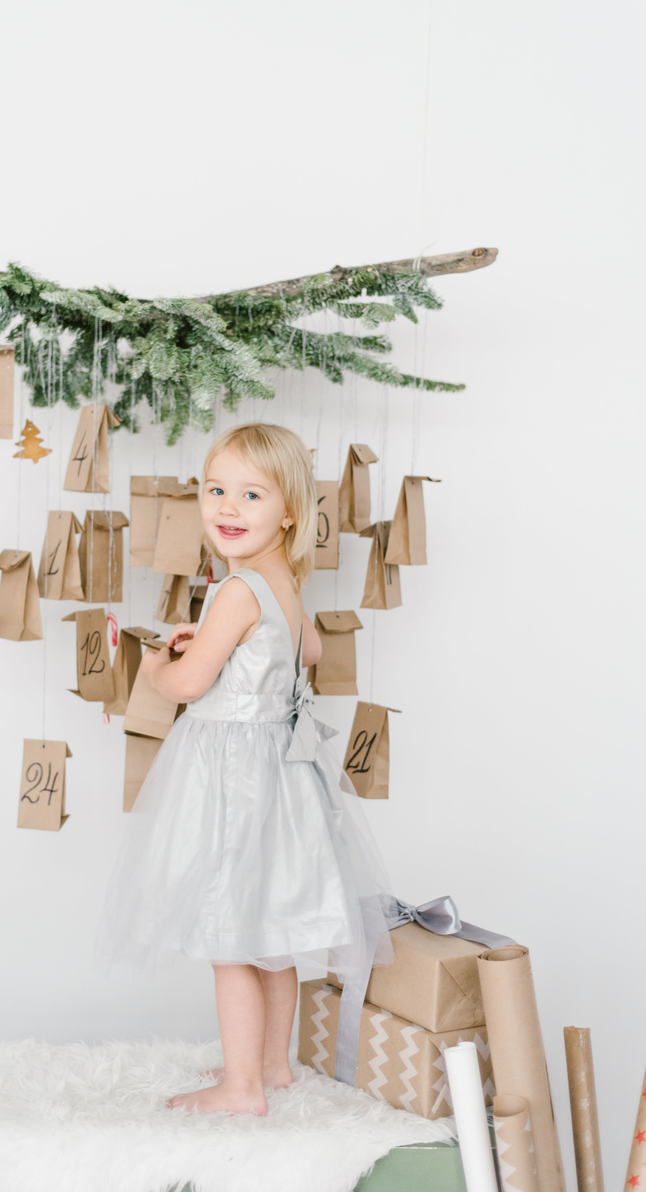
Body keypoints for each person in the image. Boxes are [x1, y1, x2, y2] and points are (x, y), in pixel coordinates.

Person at [96, 422, 394, 1116]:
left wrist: (161, 660)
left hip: (231, 775)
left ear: (289, 510)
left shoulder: (233, 591)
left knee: (229, 934)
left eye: (251, 494)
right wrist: (225, 641)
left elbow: (190, 686)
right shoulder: (282, 581)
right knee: (273, 933)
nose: (227, 507)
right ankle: (271, 1067)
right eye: (215, 489)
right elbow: (308, 650)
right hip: (280, 776)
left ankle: (240, 1089)